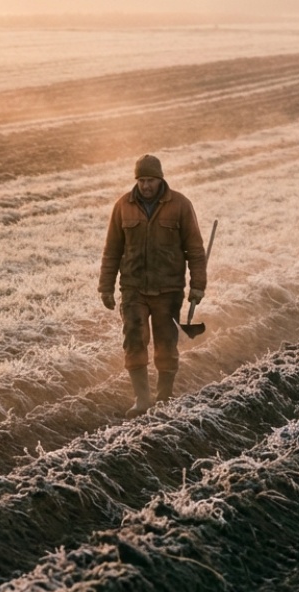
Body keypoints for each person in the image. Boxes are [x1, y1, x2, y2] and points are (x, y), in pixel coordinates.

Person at [99, 154, 208, 417]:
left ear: (160, 179)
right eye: (141, 180)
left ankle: (165, 396)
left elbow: (194, 248)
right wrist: (106, 287)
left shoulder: (180, 205)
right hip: (133, 288)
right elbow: (112, 250)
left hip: (168, 289)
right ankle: (142, 398)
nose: (146, 185)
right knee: (134, 341)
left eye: (151, 180)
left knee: (166, 344)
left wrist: (198, 285)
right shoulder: (123, 205)